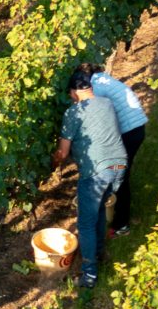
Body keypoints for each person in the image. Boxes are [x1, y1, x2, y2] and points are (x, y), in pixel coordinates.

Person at [52, 67, 129, 290]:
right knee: (97, 213)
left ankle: (89, 275)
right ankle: (98, 253)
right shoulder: (106, 103)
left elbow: (63, 152)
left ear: (74, 93)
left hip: (97, 169)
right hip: (119, 165)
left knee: (85, 223)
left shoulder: (73, 113)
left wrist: (54, 162)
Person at [83, 61, 148, 232]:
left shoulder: (95, 87)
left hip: (129, 131)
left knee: (119, 174)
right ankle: (117, 215)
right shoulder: (103, 79)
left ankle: (121, 224)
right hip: (136, 127)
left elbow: (98, 118)